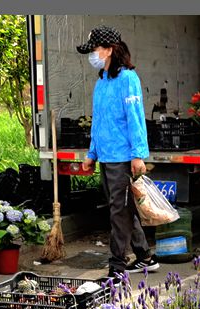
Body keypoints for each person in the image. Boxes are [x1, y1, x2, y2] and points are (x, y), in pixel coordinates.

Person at [77, 26, 158, 277]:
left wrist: (138, 154)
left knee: (118, 212)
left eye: (94, 50)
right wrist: (92, 154)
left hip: (123, 157)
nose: (92, 54)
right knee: (124, 209)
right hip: (107, 157)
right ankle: (144, 256)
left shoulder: (127, 79)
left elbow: (135, 118)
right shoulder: (102, 81)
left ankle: (117, 266)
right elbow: (99, 121)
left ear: (109, 50)